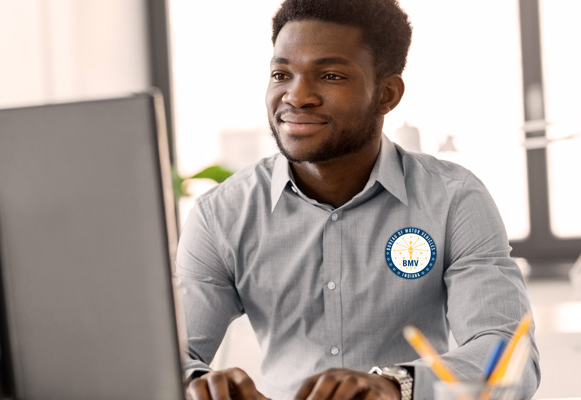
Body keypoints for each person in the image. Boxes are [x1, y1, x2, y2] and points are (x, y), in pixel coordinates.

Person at [175, 0, 540, 399]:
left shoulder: (454, 199)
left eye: (330, 75)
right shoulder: (220, 215)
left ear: (387, 94)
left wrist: (393, 385)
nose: (296, 97)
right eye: (281, 73)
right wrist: (197, 384)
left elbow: (508, 356)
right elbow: (174, 352)